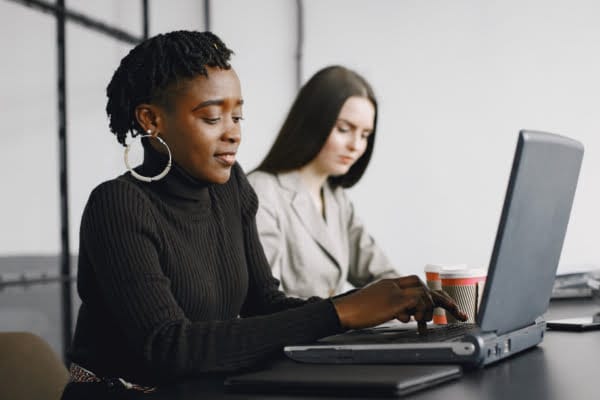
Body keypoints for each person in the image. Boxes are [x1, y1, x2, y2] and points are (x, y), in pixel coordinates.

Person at [61, 31, 466, 399]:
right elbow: (170, 347)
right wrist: (338, 313)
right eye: (211, 117)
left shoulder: (231, 187)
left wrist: (368, 304)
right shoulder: (117, 204)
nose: (234, 132)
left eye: (237, 115)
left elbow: (264, 303)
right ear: (152, 120)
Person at [248, 65, 398, 299]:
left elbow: (384, 276)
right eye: (344, 129)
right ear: (312, 123)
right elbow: (265, 303)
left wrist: (419, 298)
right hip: (291, 335)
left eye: (365, 135)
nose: (356, 145)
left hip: (331, 334)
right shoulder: (262, 191)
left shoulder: (336, 199)